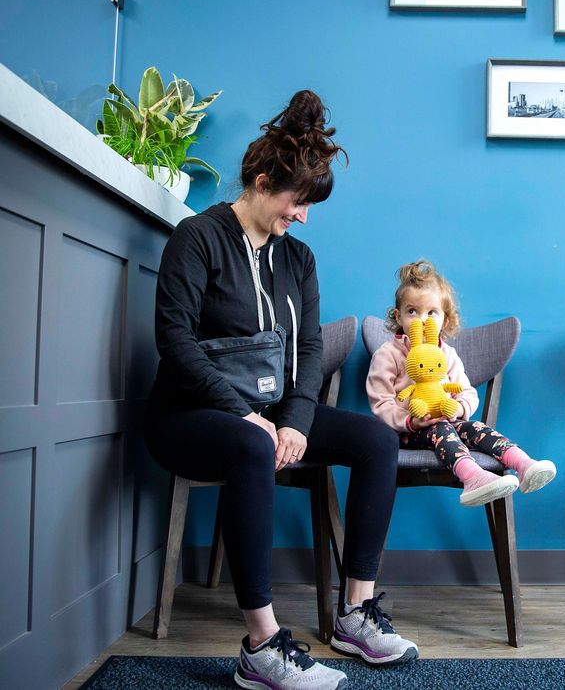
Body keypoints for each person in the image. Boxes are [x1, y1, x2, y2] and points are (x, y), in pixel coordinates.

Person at [145, 90, 417, 690]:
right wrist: (246, 415)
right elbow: (175, 341)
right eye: (297, 201)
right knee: (250, 446)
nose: (303, 215)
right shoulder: (196, 238)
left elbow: (309, 352)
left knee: (375, 440)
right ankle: (261, 646)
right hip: (189, 416)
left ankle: (354, 614)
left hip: (272, 414)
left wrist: (296, 420)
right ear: (263, 182)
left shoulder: (300, 259)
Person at [366, 260, 557, 507]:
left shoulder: (447, 354)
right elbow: (381, 403)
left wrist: (456, 408)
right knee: (441, 430)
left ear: (444, 320)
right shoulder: (387, 353)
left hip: (448, 421)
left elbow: (467, 393)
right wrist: (411, 421)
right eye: (412, 311)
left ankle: (523, 464)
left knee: (476, 427)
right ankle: (472, 477)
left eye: (431, 312)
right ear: (398, 315)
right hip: (407, 434)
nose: (422, 320)